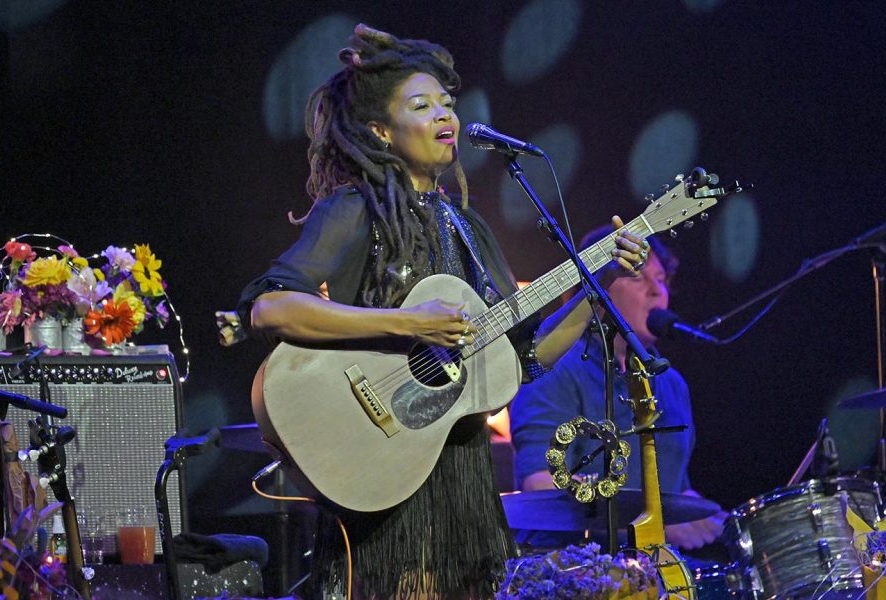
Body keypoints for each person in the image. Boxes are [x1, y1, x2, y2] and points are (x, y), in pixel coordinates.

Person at [229, 25, 649, 599]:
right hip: (384, 465)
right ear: (381, 130)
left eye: (447, 104)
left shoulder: (469, 228)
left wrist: (597, 285)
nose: (444, 115)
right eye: (421, 105)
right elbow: (271, 309)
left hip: (464, 478)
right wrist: (408, 322)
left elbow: (523, 358)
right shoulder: (357, 209)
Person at [509, 226, 725, 553]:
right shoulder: (556, 372)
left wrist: (727, 522)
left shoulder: (672, 384)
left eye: (662, 279)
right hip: (576, 571)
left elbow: (675, 491)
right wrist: (656, 523)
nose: (657, 291)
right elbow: (540, 484)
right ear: (597, 290)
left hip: (657, 569)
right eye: (638, 277)